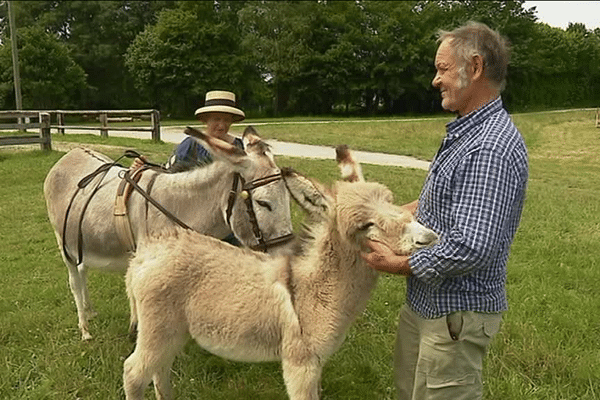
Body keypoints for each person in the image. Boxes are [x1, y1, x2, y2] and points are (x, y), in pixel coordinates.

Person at [361, 22, 528, 400]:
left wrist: (399, 264)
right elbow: (446, 202)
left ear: (475, 67)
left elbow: (472, 245)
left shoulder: (489, 147)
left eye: (443, 69)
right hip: (427, 305)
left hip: (454, 316)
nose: (436, 80)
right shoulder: (466, 133)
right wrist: (388, 216)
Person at [130, 90, 246, 245]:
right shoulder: (191, 145)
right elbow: (169, 177)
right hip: (192, 222)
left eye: (226, 119)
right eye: (216, 119)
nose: (222, 125)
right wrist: (144, 168)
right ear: (205, 120)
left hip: (227, 225)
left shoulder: (239, 148)